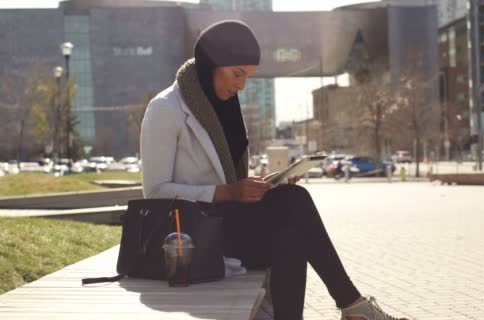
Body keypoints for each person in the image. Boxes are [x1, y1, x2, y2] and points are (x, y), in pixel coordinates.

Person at [140, 20, 414, 320]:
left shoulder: (226, 107)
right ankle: (352, 305)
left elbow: (230, 180)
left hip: (226, 224)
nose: (242, 84)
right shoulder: (165, 108)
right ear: (212, 63)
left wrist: (263, 185)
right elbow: (154, 193)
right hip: (188, 239)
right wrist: (229, 192)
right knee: (294, 201)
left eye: (248, 76)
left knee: (291, 233)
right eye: (237, 74)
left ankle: (348, 307)